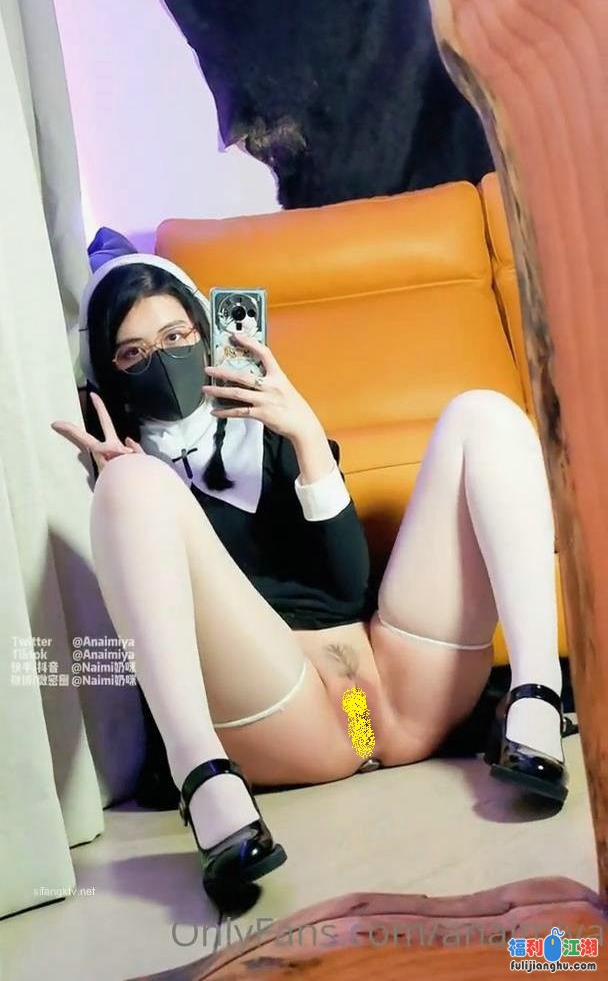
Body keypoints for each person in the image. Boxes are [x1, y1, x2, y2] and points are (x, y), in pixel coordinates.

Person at [52, 253, 570, 910]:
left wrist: (304, 434)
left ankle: (536, 700)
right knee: (132, 481)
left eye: (177, 336)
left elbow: (346, 583)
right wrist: (125, 489)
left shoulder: (269, 432)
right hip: (289, 722)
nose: (162, 359)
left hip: (400, 696)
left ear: (206, 336)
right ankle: (204, 782)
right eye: (134, 353)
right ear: (108, 375)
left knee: (483, 412)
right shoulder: (133, 477)